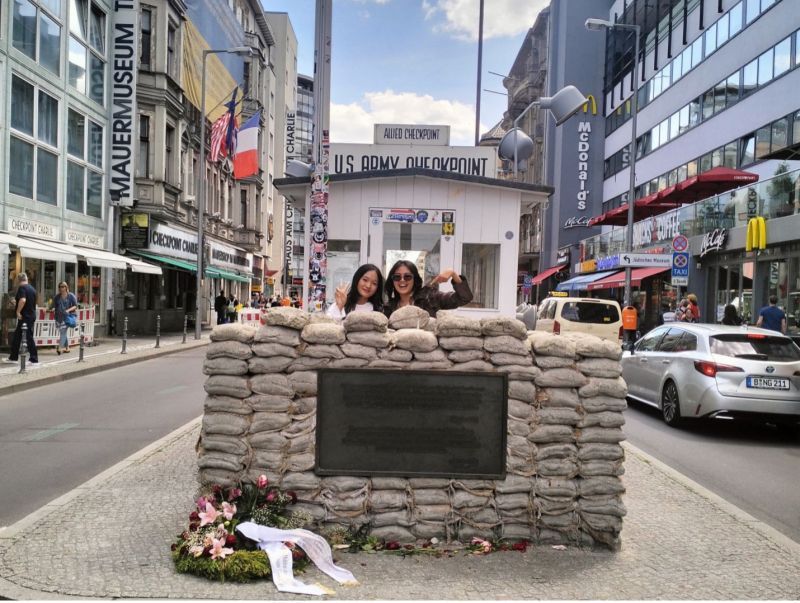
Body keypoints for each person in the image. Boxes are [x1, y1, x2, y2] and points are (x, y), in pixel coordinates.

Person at [383, 260, 473, 318]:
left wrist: (453, 274)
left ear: (415, 279)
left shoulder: (430, 297)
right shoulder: (388, 308)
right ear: (392, 281)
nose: (402, 280)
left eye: (407, 276)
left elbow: (464, 297)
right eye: (397, 277)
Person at [5, 273, 38, 365]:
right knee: (17, 336)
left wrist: (18, 311)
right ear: (26, 279)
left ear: (18, 280)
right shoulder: (32, 289)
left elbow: (23, 300)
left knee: (28, 337)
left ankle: (34, 358)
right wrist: (16, 303)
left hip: (25, 317)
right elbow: (28, 302)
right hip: (30, 315)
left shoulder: (22, 288)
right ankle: (13, 357)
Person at [53, 281, 78, 355]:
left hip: (68, 317)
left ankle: (59, 348)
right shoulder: (57, 297)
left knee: (63, 332)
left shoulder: (71, 296)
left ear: (66, 287)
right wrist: (51, 309)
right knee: (63, 332)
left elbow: (75, 306)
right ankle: (67, 348)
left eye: (63, 286)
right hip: (59, 317)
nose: (61, 288)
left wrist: (68, 310)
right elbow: (53, 306)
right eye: (60, 286)